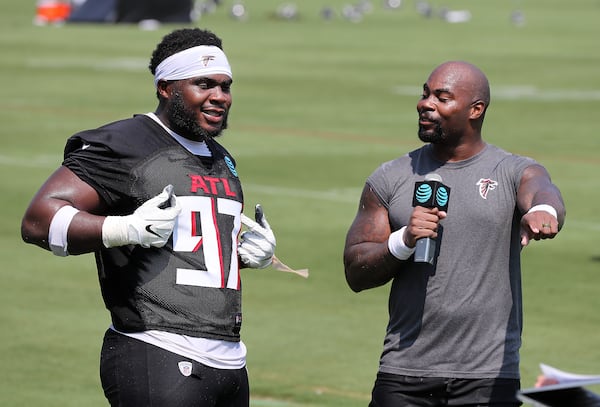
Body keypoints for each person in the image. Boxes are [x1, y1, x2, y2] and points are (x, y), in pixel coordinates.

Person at [21, 28, 276, 407]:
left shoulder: (222, 158)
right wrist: (122, 228)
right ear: (166, 87)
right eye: (204, 84)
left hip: (229, 360)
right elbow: (38, 221)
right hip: (156, 350)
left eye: (225, 86)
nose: (219, 97)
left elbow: (192, 246)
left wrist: (240, 253)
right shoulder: (124, 143)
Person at [343, 61, 566, 406]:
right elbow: (356, 271)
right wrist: (402, 241)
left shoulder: (510, 171)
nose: (426, 103)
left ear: (475, 110)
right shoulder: (390, 177)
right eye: (425, 93)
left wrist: (543, 210)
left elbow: (541, 190)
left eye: (442, 97)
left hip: (488, 376)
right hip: (404, 373)